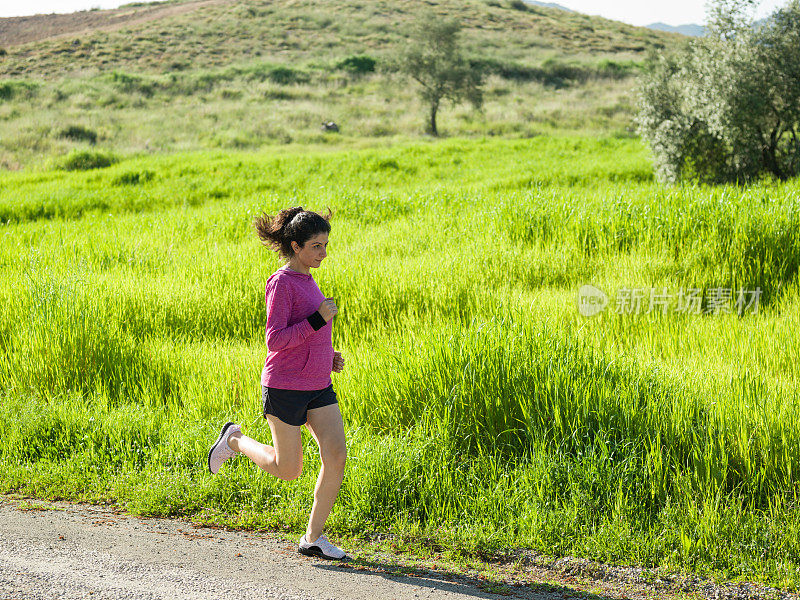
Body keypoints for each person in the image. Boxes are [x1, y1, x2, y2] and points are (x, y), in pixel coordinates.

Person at [207, 206, 348, 561]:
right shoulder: (282, 282)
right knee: (289, 470)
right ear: (296, 246)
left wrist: (328, 356)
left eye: (326, 244)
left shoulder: (309, 279)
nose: (323, 253)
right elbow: (276, 340)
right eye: (316, 246)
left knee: (336, 456)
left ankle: (313, 538)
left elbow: (308, 336)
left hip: (318, 385)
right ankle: (235, 440)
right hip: (285, 387)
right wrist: (318, 319)